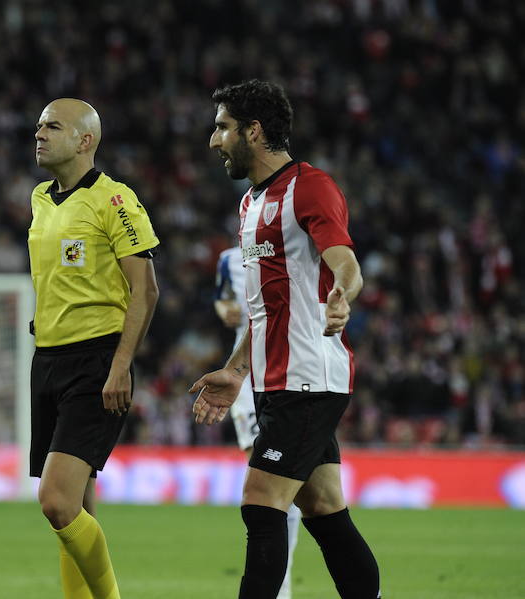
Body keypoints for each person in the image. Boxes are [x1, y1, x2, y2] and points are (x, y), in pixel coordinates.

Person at [192, 80, 381, 599]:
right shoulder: (251, 203)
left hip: (307, 377)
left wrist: (343, 292)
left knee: (260, 502)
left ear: (254, 131)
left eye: (223, 127)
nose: (214, 141)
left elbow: (345, 261)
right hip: (275, 381)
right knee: (324, 511)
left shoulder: (310, 186)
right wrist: (235, 371)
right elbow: (262, 310)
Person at [29, 98, 160, 599]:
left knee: (57, 501)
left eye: (52, 126)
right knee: (74, 509)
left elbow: (145, 289)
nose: (38, 133)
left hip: (97, 360)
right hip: (48, 359)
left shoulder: (115, 200)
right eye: (38, 125)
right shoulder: (41, 197)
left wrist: (121, 365)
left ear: (85, 140)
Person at [214, 247, 300, 599]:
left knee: (288, 487)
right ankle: (279, 588)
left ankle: (280, 584)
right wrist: (226, 312)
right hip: (247, 375)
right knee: (267, 478)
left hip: (290, 369)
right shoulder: (228, 259)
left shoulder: (287, 251)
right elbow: (222, 300)